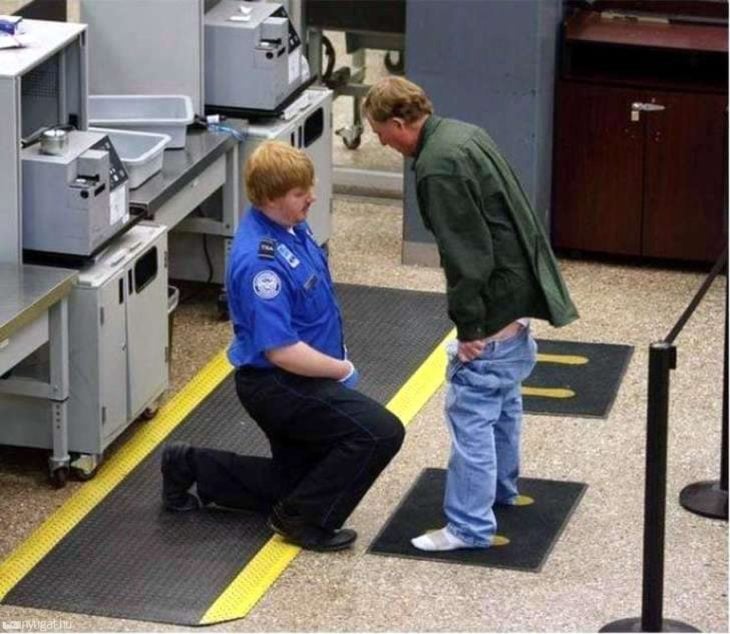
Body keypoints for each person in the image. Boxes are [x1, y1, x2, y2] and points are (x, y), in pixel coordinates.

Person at [363, 77, 578, 552]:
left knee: (472, 414)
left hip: (493, 305)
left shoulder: (437, 168)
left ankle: (468, 526)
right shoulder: (465, 133)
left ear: (399, 123)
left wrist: (469, 330)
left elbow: (466, 256)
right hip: (521, 291)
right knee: (505, 403)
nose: (380, 141)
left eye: (381, 132)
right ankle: (503, 489)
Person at [160, 140, 404, 552]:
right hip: (280, 384)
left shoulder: (292, 226)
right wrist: (340, 370)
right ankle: (302, 521)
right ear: (270, 198)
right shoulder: (261, 263)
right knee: (379, 432)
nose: (311, 197)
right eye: (299, 193)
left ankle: (189, 466)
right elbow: (281, 351)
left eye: (309, 187)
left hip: (301, 375)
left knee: (297, 481)